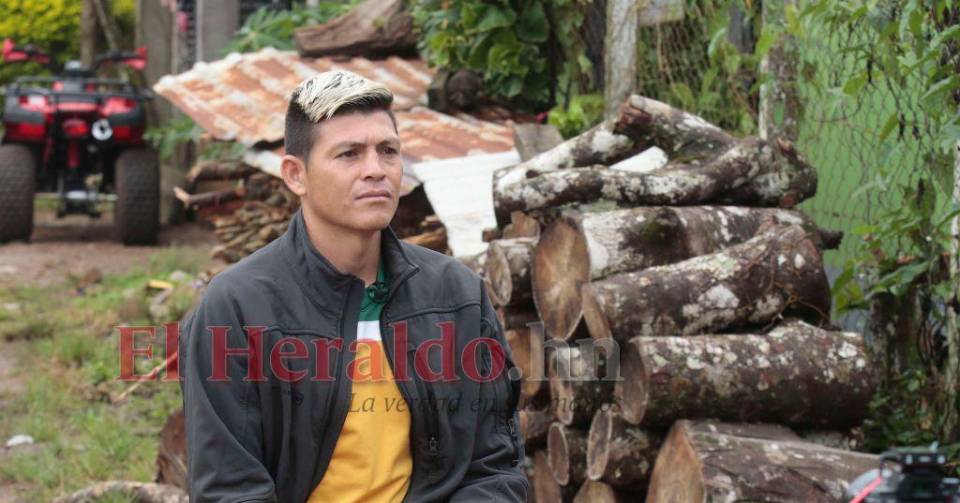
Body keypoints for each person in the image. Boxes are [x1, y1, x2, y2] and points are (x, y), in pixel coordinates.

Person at [179, 70, 529, 502]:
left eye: (388, 151)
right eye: (349, 154)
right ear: (295, 175)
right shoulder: (238, 308)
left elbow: (493, 467)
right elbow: (230, 489)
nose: (375, 171)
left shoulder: (455, 295)